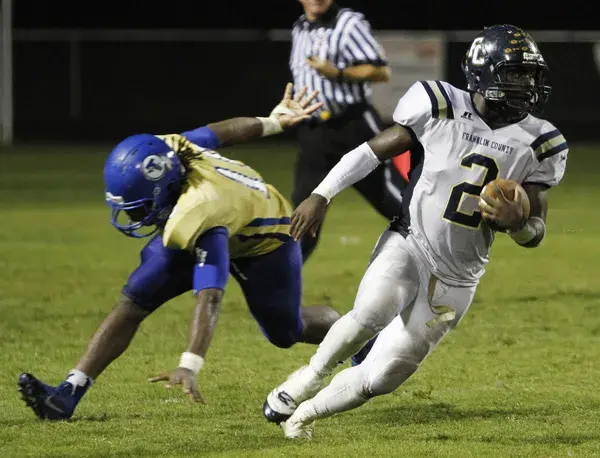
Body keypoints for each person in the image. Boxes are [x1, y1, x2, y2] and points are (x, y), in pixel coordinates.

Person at [263, 25, 569, 439]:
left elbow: (536, 232)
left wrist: (518, 224)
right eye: (515, 73)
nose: (526, 84)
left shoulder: (542, 141)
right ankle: (306, 379)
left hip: (459, 278)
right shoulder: (440, 104)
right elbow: (370, 152)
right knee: (371, 312)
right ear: (483, 71)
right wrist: (321, 194)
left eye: (531, 74)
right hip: (410, 242)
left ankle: (305, 415)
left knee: (382, 377)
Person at [17, 83, 341, 421]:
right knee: (135, 298)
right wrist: (273, 122)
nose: (135, 217)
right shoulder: (168, 150)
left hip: (264, 241)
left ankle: (354, 333)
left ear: (166, 189)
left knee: (286, 331)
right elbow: (220, 132)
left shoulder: (200, 210)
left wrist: (190, 363)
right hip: (216, 213)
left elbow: (210, 294)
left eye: (140, 208)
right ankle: (67, 394)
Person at [290, 0, 408, 262]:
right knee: (303, 217)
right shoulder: (299, 28)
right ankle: (285, 282)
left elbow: (381, 71)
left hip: (352, 127)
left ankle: (441, 251)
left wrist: (338, 72)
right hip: (314, 133)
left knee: (395, 203)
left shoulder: (349, 23)